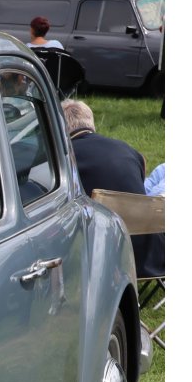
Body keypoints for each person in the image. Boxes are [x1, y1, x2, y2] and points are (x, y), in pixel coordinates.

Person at [62, 99, 163, 280]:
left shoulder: (65, 158)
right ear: (90, 122)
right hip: (153, 252)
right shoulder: (128, 150)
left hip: (108, 256)